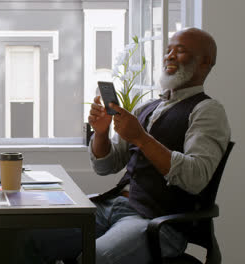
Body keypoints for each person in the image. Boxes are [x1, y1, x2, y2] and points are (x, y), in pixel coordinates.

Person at [22, 28, 231, 264]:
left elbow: (196, 177)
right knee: (32, 237)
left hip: (156, 221)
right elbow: (106, 166)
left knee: (95, 258)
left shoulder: (207, 111)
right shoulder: (147, 108)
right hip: (113, 205)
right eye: (168, 50)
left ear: (205, 62)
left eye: (180, 51)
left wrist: (141, 138)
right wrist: (101, 133)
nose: (169, 56)